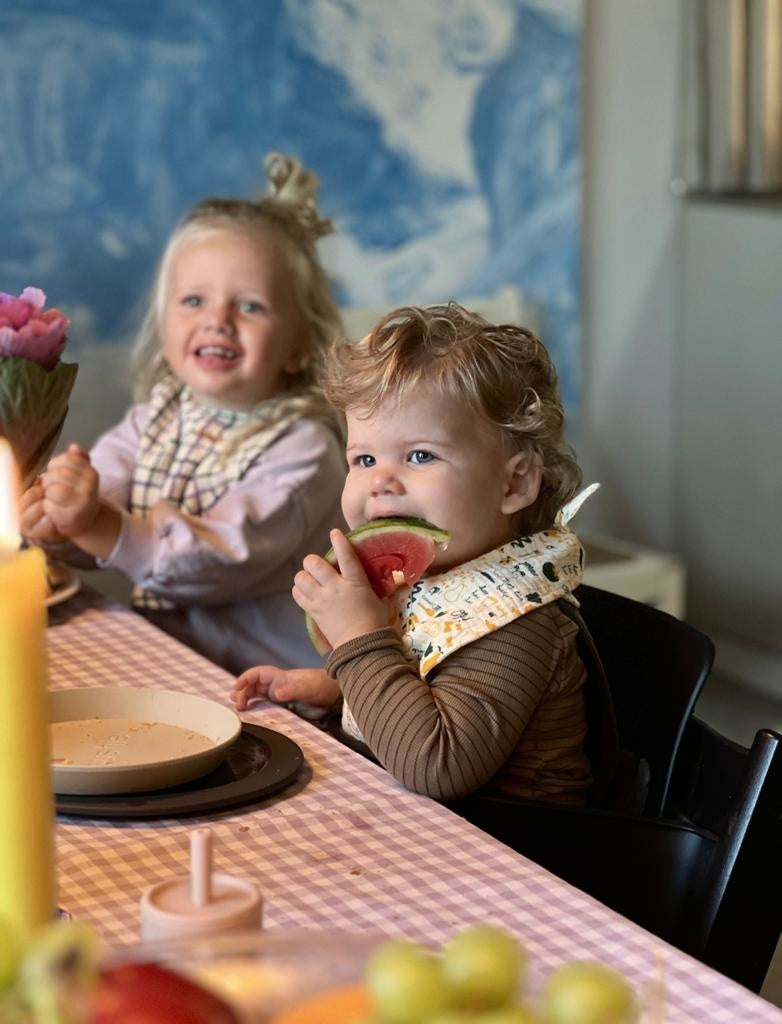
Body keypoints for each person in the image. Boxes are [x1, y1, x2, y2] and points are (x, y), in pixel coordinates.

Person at [232, 303, 599, 804]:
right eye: (364, 458)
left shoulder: (513, 620)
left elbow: (437, 766)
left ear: (514, 483)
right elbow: (424, 678)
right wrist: (337, 689)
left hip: (516, 858)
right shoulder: (434, 580)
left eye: (421, 455)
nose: (381, 480)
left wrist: (360, 639)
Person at [21, 153, 346, 674]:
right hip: (173, 665)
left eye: (251, 307)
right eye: (194, 300)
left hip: (272, 693)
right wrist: (61, 519)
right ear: (164, 319)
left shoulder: (305, 451)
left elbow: (213, 562)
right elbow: (105, 499)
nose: (218, 320)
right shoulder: (156, 419)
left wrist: (98, 523)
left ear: (299, 346)